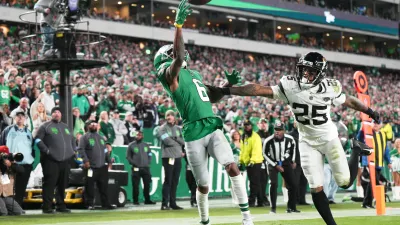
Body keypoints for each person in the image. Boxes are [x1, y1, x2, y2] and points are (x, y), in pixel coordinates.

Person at [210, 52, 378, 225]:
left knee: (344, 182)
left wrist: (369, 111)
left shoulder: (330, 87)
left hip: (329, 138)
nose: (305, 74)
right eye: (304, 70)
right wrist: (227, 90)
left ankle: (356, 150)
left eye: (311, 71)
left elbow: (349, 100)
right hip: (307, 142)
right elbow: (258, 90)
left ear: (321, 73)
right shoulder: (290, 85)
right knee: (315, 187)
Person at [154, 0, 253, 224]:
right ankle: (205, 220)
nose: (180, 53)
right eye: (171, 52)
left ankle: (247, 218)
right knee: (204, 185)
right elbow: (178, 57)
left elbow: (211, 95)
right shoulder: (171, 76)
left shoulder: (195, 74)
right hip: (193, 133)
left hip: (212, 125)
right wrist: (178, 26)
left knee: (233, 167)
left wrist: (226, 87)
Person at [34, 106, 75, 214]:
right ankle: (47, 206)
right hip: (50, 160)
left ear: (61, 115)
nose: (56, 114)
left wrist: (73, 151)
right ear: (51, 115)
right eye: (54, 112)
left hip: (65, 160)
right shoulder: (45, 126)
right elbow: (37, 139)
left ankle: (60, 205)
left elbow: (72, 140)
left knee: (62, 183)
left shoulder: (66, 127)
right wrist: (47, 151)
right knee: (50, 183)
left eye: (58, 112)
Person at [77, 120, 116, 210]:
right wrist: (86, 161)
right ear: (88, 126)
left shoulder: (101, 137)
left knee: (104, 187)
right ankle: (89, 204)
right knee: (89, 186)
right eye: (92, 124)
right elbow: (80, 149)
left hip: (102, 166)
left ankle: (105, 204)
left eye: (95, 124)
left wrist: (109, 161)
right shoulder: (84, 137)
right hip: (91, 167)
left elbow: (105, 150)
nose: (94, 126)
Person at [0, 111, 34, 207]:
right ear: (14, 118)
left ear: (25, 118)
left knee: (21, 187)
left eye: (22, 116)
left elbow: (32, 147)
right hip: (10, 163)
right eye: (18, 116)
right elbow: (1, 145)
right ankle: (8, 207)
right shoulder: (7, 130)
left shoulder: (28, 132)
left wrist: (32, 162)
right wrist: (4, 160)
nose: (20, 118)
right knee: (10, 186)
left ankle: (17, 207)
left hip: (26, 164)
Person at [263, 121, 299, 214]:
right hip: (272, 163)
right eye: (276, 130)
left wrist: (293, 161)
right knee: (273, 184)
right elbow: (264, 154)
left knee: (293, 184)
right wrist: (275, 165)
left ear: (284, 131)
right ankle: (273, 208)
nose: (277, 132)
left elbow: (293, 149)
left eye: (279, 130)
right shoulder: (268, 140)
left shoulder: (290, 139)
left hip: (285, 162)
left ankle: (291, 207)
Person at [357, 122, 392, 208]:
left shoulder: (383, 134)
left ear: (380, 125)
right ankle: (371, 202)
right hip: (369, 163)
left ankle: (368, 202)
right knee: (373, 182)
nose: (375, 125)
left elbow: (385, 149)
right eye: (374, 123)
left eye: (377, 123)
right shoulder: (368, 133)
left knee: (373, 183)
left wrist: (389, 161)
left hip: (379, 163)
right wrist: (362, 129)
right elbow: (359, 139)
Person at [158, 110, 184, 210]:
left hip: (177, 157)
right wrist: (178, 141)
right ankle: (164, 203)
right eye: (167, 115)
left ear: (174, 117)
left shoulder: (178, 128)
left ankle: (173, 203)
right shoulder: (162, 128)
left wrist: (175, 138)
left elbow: (184, 141)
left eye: (171, 115)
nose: (169, 117)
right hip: (168, 156)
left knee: (175, 181)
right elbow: (167, 141)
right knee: (168, 180)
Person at [126, 131, 155, 205]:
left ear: (142, 136)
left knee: (147, 185)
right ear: (135, 136)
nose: (138, 136)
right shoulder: (131, 145)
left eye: (140, 135)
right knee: (135, 185)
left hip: (146, 168)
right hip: (136, 168)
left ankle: (147, 200)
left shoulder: (146, 145)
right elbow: (128, 157)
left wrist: (148, 162)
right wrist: (134, 163)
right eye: (137, 135)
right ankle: (135, 200)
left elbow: (150, 154)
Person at [239, 120, 263, 207]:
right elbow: (243, 150)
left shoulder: (255, 137)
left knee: (253, 183)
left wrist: (252, 161)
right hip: (248, 162)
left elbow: (256, 150)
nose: (246, 127)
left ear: (251, 126)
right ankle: (261, 200)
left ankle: (252, 201)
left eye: (248, 125)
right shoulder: (244, 136)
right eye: (245, 125)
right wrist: (240, 161)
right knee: (256, 182)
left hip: (255, 162)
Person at [288, 121, 309, 205]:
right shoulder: (290, 135)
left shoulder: (305, 134)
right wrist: (291, 161)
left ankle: (302, 200)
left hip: (304, 160)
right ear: (294, 124)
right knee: (295, 182)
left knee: (303, 182)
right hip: (295, 162)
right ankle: (294, 200)